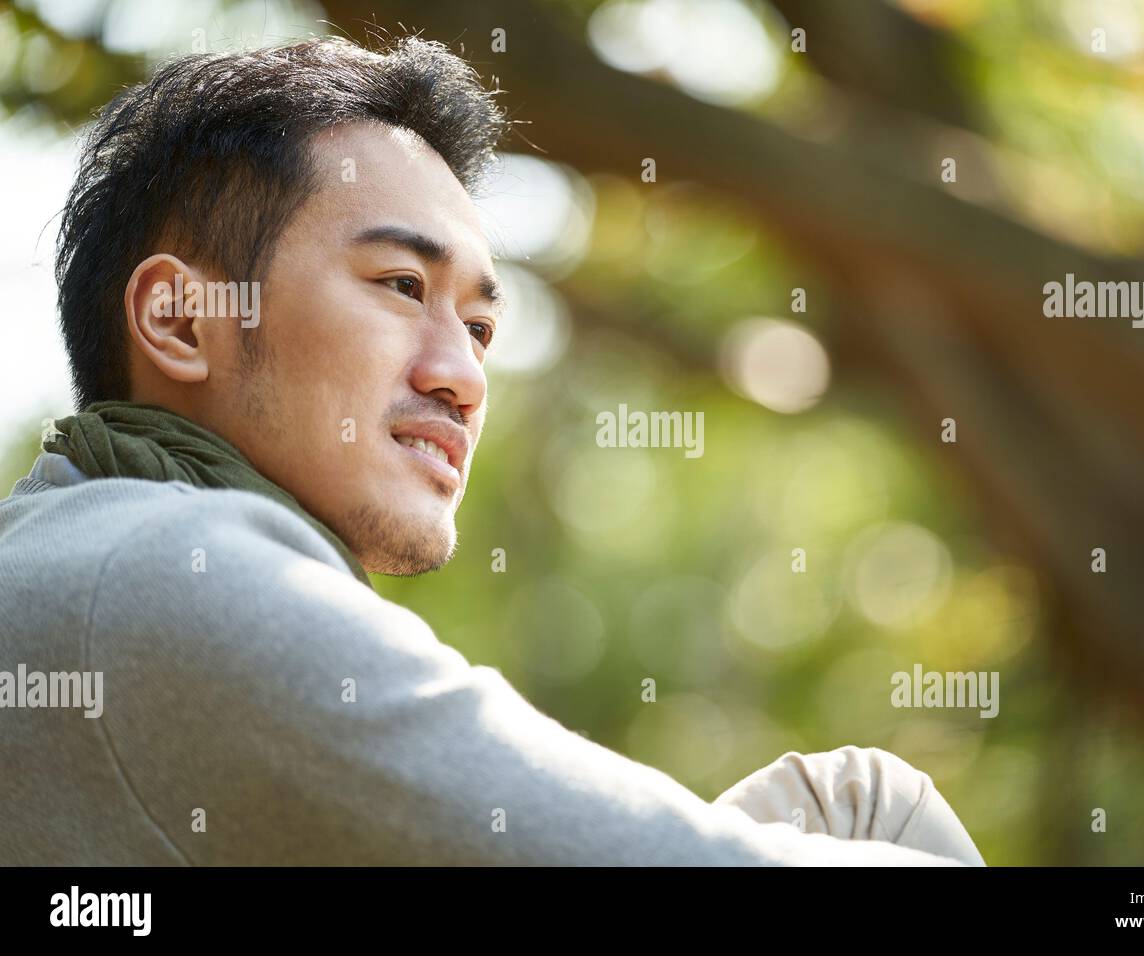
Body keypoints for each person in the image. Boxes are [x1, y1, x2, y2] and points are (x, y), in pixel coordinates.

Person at [0, 35, 984, 866]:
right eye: (397, 284)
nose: (462, 378)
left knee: (850, 801)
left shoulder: (85, 545)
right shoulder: (168, 568)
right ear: (181, 317)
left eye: (479, 328)